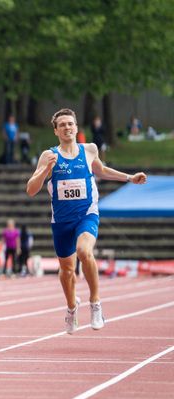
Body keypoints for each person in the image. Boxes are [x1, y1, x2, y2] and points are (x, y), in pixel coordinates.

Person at [26, 108, 147, 335]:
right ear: (56, 131)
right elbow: (31, 190)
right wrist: (44, 170)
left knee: (84, 251)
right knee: (67, 271)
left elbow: (102, 170)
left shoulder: (89, 149)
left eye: (70, 124)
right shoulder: (48, 155)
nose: (67, 128)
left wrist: (129, 178)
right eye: (62, 125)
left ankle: (95, 303)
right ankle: (72, 307)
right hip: (61, 220)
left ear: (76, 127)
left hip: (87, 214)